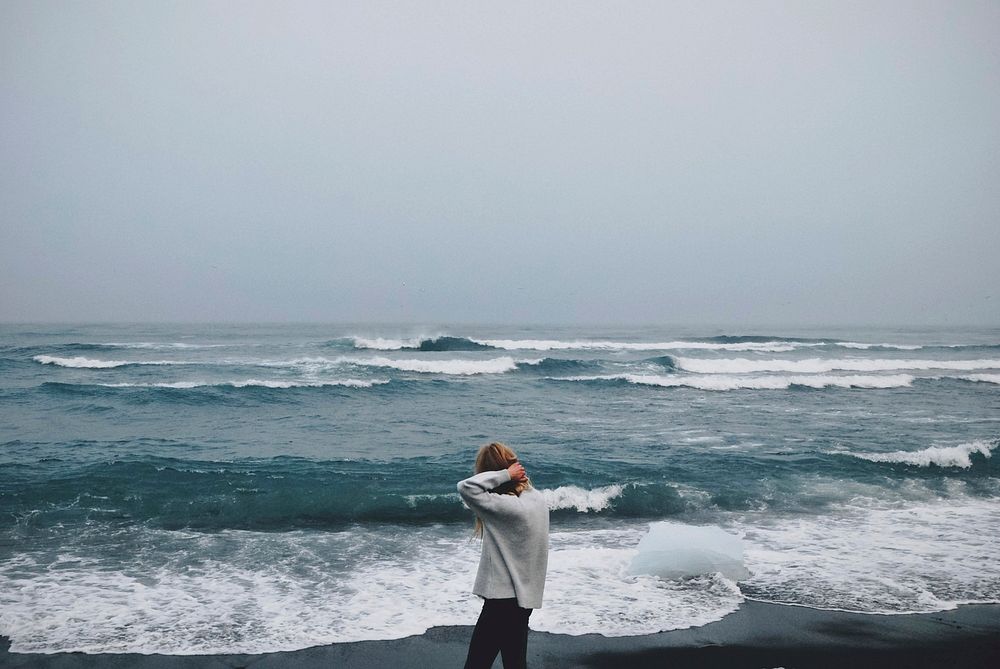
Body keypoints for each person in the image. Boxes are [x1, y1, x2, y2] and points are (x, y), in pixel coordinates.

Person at [457, 441, 550, 669]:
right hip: (523, 600)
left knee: (476, 664)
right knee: (515, 663)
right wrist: (512, 474)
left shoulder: (506, 508)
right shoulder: (536, 500)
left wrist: (504, 474)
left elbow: (466, 487)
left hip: (501, 601)